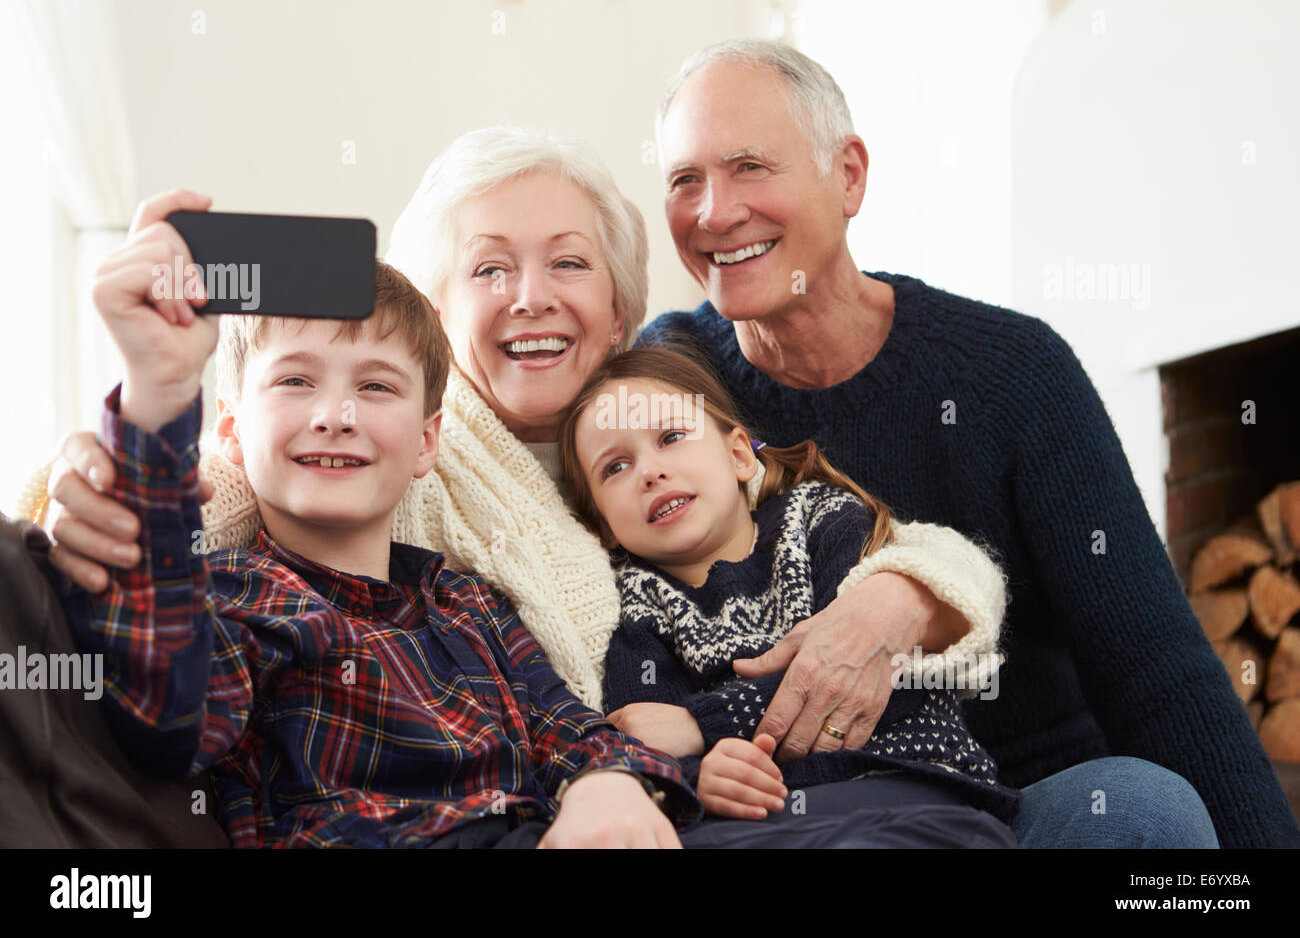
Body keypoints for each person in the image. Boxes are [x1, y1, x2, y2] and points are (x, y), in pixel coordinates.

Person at [23, 129, 1009, 844]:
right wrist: (142, 427)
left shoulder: (655, 423)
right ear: (442, 315)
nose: (531, 296)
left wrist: (893, 596)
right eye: (489, 270)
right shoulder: (362, 483)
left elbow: (850, 524)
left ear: (623, 307)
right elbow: (224, 511)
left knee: (1107, 805)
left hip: (724, 802)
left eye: (567, 264)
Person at [639, 38, 1300, 848]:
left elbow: (1155, 668)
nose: (713, 212)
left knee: (1144, 810)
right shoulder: (661, 386)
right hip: (805, 824)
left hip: (1022, 798)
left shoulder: (1013, 372)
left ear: (848, 175)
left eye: (749, 167)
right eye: (685, 181)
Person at [558, 346, 1019, 846]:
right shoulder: (637, 605)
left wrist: (703, 725)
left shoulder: (822, 523)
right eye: (615, 467)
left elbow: (886, 679)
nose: (649, 471)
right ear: (601, 526)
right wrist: (701, 777)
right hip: (769, 819)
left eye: (671, 437)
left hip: (903, 782)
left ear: (737, 454)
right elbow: (645, 743)